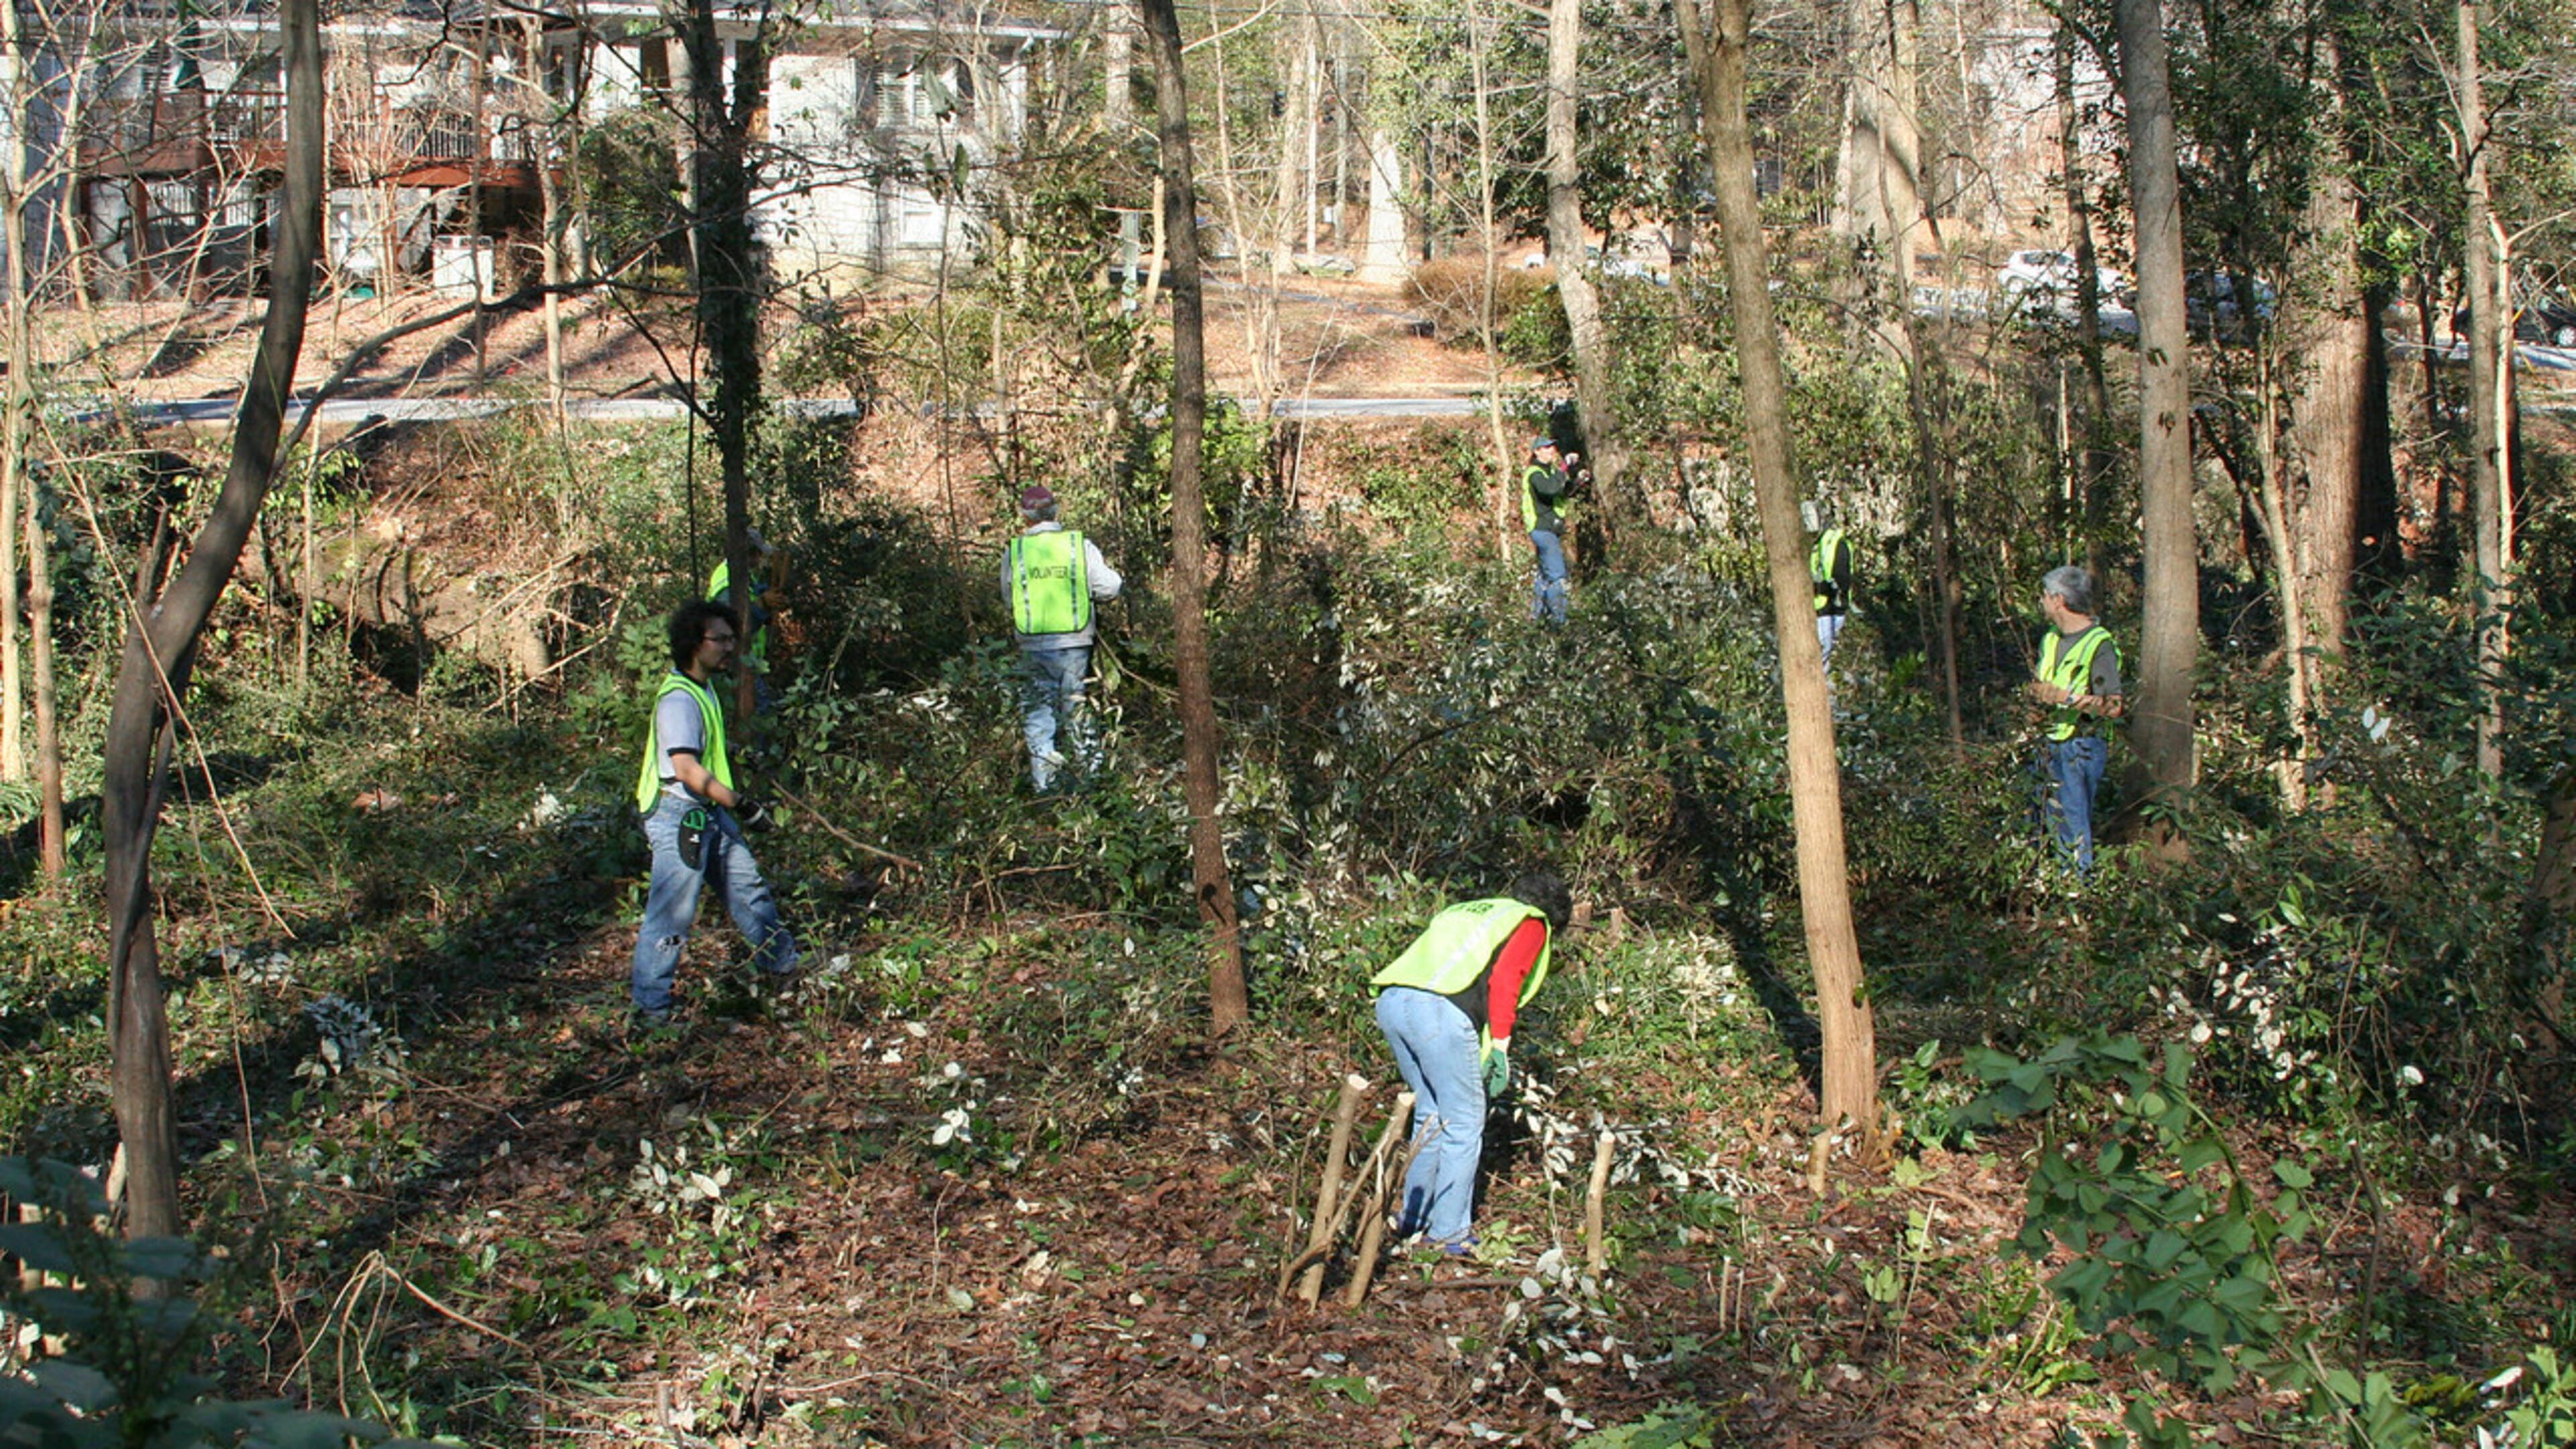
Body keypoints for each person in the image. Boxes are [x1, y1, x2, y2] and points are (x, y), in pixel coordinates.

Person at [1369, 870, 1574, 1256]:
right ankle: (1448, 1233)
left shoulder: (1471, 911)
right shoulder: (1530, 922)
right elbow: (1506, 980)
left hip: (1393, 1001)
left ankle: (1413, 1216)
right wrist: (1500, 1044)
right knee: (1463, 1122)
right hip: (1439, 1011)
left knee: (1431, 1112)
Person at [629, 599, 800, 1026]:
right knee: (671, 914)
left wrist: (735, 754)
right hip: (679, 814)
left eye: (730, 639)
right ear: (694, 643)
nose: (728, 648)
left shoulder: (701, 689)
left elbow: (698, 753)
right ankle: (651, 1012)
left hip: (704, 812)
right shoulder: (678, 700)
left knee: (748, 888)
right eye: (720, 640)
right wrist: (745, 805)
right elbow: (686, 769)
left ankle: (785, 970)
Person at [1003, 484, 1123, 793]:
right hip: (1074, 644)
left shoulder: (1016, 551)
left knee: (1039, 717)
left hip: (1032, 644)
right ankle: (1093, 788)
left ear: (1025, 515)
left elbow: (1009, 597)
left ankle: (1046, 792)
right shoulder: (1078, 546)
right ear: (1056, 510)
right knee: (1078, 715)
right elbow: (1110, 586)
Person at [2025, 565, 2123, 874]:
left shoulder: (2099, 643)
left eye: (2044, 596)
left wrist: (2064, 698)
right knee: (2037, 824)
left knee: (2072, 830)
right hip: (2046, 743)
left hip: (2079, 747)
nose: (2041, 603)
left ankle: (2078, 900)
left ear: (2057, 599)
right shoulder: (2051, 639)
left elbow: (2113, 706)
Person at [707, 529, 780, 712]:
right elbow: (732, 625)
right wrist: (762, 605)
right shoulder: (727, 581)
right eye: (755, 554)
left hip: (748, 662)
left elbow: (754, 592)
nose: (758, 560)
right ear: (744, 554)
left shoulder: (744, 575)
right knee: (757, 713)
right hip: (734, 665)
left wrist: (770, 596)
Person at [1521, 438, 1576, 625]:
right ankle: (1559, 622)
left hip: (1551, 529)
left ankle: (1535, 619)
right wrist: (1565, 466)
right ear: (1537, 452)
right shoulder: (1535, 473)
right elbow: (1551, 489)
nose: (1552, 450)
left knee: (1544, 576)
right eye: (1546, 448)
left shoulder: (1550, 472)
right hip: (1542, 529)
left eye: (1553, 447)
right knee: (1557, 576)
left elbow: (1561, 491)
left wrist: (1577, 482)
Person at [1809, 511, 1853, 665]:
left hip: (1828, 608)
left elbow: (1842, 577)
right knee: (1823, 654)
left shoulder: (1832, 543)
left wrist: (1823, 587)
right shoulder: (1819, 543)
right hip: (1823, 607)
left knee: (1821, 653)